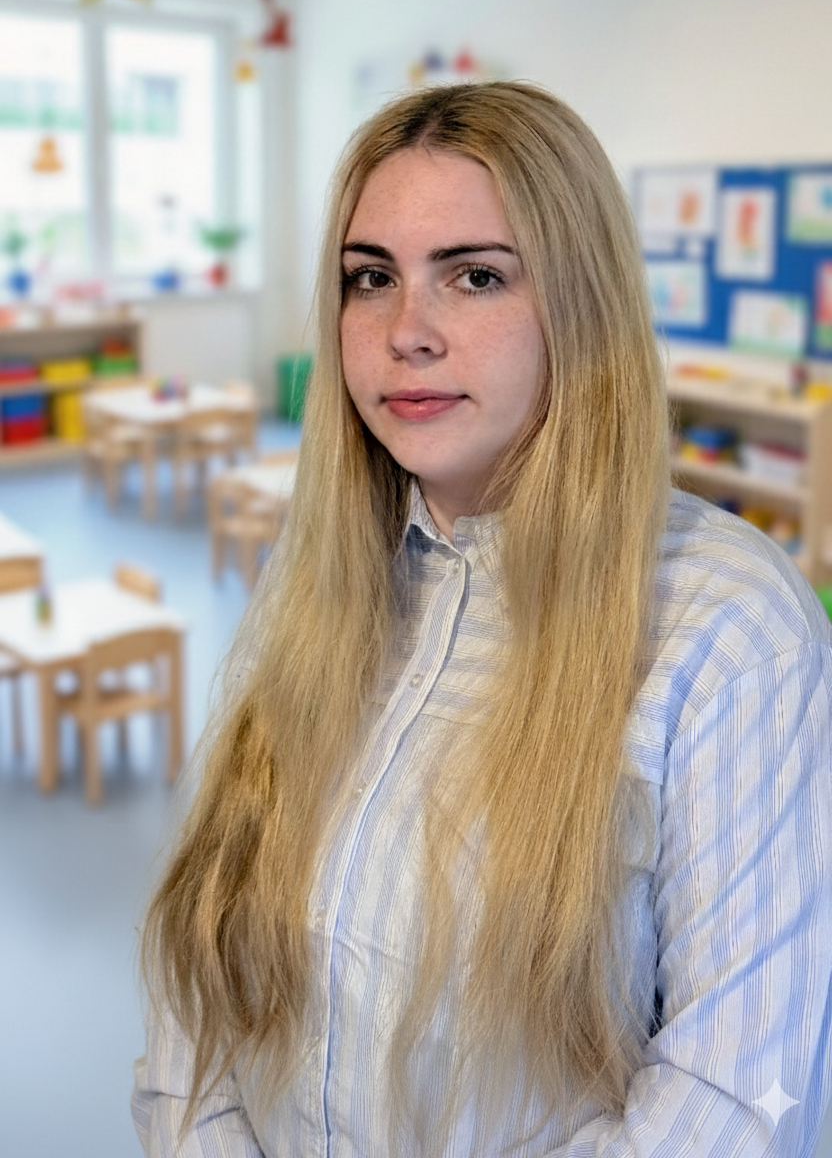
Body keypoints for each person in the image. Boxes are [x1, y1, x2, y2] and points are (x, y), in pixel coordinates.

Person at [132, 82, 832, 1157]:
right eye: (370, 278)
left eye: (475, 276)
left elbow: (729, 1109)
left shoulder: (731, 631)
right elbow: (202, 1001)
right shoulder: (315, 579)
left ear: (581, 305)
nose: (405, 333)